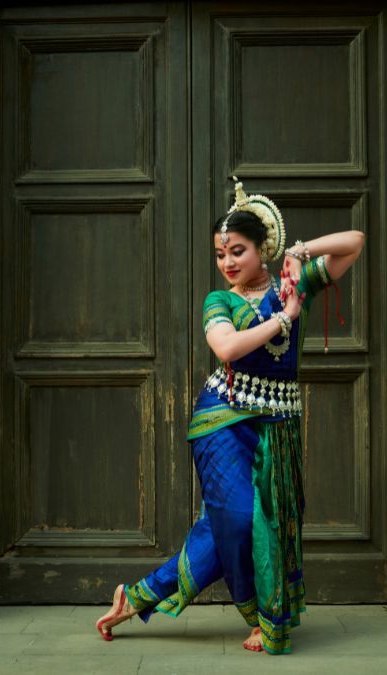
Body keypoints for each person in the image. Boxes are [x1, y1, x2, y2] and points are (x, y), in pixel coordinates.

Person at [94, 178, 364, 654]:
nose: (228, 263)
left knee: (256, 523)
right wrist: (284, 319)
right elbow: (226, 346)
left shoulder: (290, 282)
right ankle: (259, 615)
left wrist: (299, 252)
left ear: (264, 248)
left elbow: (354, 243)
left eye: (238, 250)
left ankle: (135, 597)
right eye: (221, 255)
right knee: (238, 520)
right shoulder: (220, 302)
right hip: (221, 421)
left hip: (277, 425)